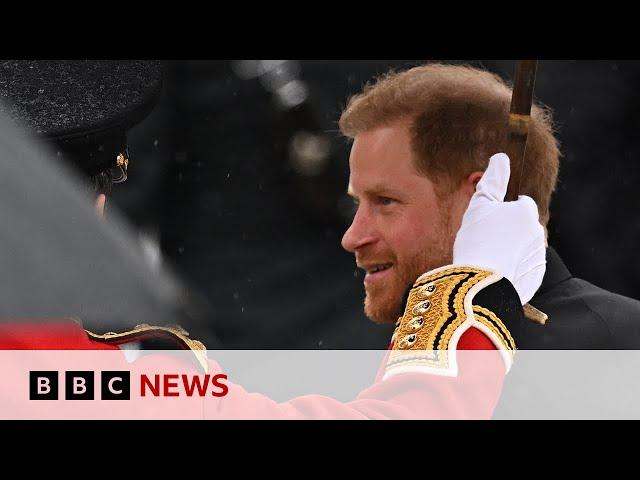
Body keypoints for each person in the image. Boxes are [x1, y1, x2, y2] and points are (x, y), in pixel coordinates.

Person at [339, 62, 640, 348]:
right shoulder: (387, 350)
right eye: (357, 204)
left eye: (385, 202)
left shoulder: (616, 344)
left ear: (480, 196)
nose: (351, 238)